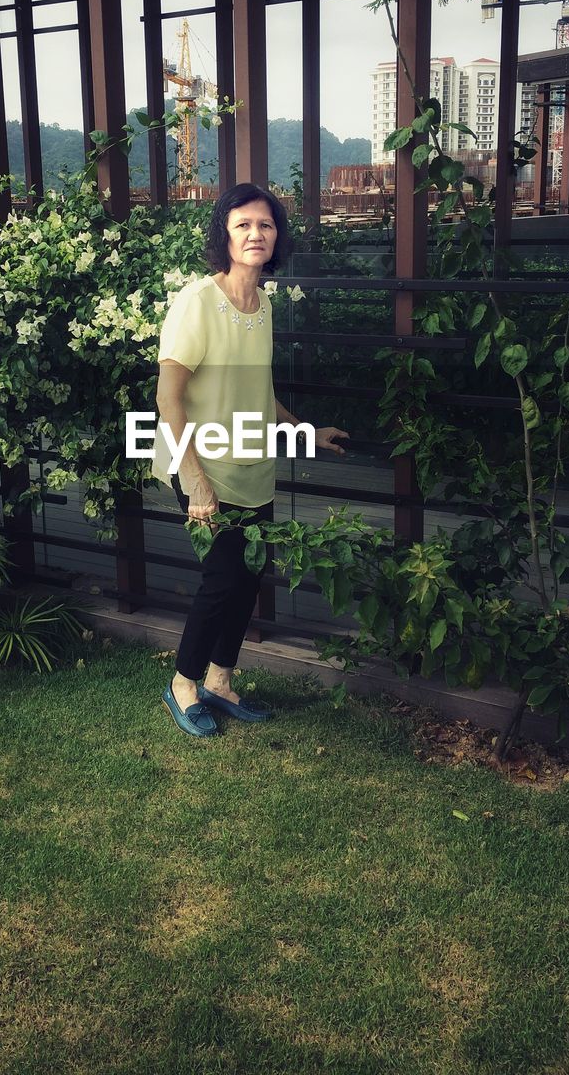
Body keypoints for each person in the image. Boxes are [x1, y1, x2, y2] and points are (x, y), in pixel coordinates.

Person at [152, 182, 350, 738]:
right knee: (221, 578)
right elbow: (168, 397)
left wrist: (305, 433)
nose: (255, 234)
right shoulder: (197, 302)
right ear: (224, 234)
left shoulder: (262, 303)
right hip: (200, 463)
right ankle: (183, 685)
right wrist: (194, 484)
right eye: (242, 225)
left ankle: (220, 682)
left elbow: (258, 392)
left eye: (264, 225)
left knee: (248, 575)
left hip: (250, 463)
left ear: (276, 235)